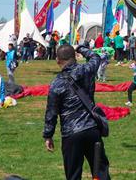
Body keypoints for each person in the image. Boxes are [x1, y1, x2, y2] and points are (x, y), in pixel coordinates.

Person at [43, 45, 109, 180]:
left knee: (73, 175)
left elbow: (51, 112)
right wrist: (80, 48)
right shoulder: (87, 70)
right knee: (100, 171)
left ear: (57, 60)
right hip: (91, 128)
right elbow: (95, 56)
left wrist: (48, 135)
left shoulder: (56, 84)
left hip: (71, 133)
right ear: (75, 57)